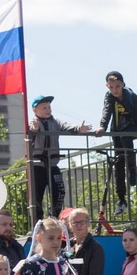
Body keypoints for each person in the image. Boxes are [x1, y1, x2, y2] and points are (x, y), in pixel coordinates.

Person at [95, 71, 137, 216]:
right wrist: (103, 126)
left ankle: (133, 172)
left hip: (133, 127)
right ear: (107, 87)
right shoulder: (109, 96)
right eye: (111, 87)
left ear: (123, 84)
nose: (114, 90)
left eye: (117, 86)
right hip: (117, 130)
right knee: (119, 161)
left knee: (126, 138)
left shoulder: (131, 96)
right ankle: (121, 199)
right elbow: (107, 111)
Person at [29, 95, 92, 224]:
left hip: (52, 164)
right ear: (35, 110)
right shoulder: (33, 122)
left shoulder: (55, 122)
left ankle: (53, 217)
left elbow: (66, 126)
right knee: (37, 196)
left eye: (49, 107)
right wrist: (35, 129)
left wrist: (79, 129)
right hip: (37, 165)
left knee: (59, 191)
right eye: (44, 107)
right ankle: (38, 223)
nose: (48, 110)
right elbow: (31, 130)